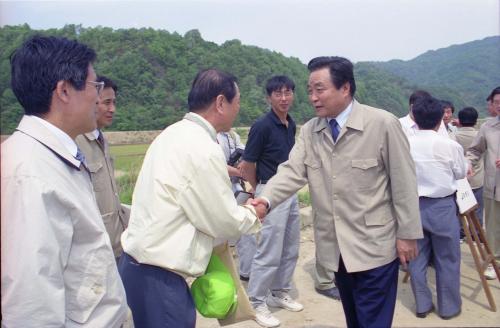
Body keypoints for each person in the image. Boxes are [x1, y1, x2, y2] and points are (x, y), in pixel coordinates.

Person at [253, 56, 423, 328]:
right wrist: (265, 199)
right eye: (309, 91)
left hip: (375, 246)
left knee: (373, 321)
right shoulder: (311, 131)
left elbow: (404, 182)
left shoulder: (382, 124)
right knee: (354, 318)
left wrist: (408, 234)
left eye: (319, 89)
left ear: (345, 88)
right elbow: (291, 171)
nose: (312, 97)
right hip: (337, 249)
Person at [118, 69, 265, 328]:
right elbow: (222, 221)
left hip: (138, 267)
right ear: (221, 103)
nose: (238, 109)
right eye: (237, 102)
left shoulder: (172, 133)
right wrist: (253, 213)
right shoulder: (202, 149)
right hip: (160, 277)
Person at [1, 36, 128, 327]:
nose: (99, 99)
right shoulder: (29, 174)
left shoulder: (57, 156)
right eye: (95, 87)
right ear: (64, 91)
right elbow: (31, 305)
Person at [239, 75, 302, 328]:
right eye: (278, 94)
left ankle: (278, 291)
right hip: (269, 190)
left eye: (288, 92)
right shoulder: (262, 126)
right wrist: (256, 191)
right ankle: (256, 301)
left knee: (290, 246)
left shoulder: (291, 124)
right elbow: (248, 163)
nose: (284, 98)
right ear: (269, 97)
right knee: (269, 249)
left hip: (290, 191)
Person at [408, 96, 467, 320]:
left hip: (413, 206)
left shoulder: (405, 142)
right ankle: (449, 307)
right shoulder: (450, 145)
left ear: (414, 116)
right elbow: (460, 173)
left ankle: (422, 304)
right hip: (442, 206)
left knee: (416, 257)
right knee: (448, 258)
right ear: (439, 119)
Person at [76, 76, 130, 260]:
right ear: (90, 100)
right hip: (95, 253)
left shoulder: (102, 140)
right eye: (107, 103)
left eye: (114, 102)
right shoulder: (77, 143)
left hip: (116, 246)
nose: (112, 109)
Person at [467, 86, 500, 280]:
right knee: (493, 226)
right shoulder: (488, 127)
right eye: (497, 103)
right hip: (494, 186)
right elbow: (474, 150)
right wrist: (467, 164)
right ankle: (493, 262)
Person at [216, 129, 256, 281]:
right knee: (218, 237)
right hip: (218, 190)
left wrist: (245, 167)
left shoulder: (232, 135)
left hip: (236, 189)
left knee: (246, 230)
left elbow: (247, 154)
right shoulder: (209, 136)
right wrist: (241, 173)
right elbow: (216, 166)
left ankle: (247, 271)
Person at [451, 107, 484, 241]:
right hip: (477, 179)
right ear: (476, 121)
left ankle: (461, 232)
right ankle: (477, 233)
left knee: (459, 209)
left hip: (460, 180)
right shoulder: (480, 135)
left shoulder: (453, 136)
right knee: (477, 209)